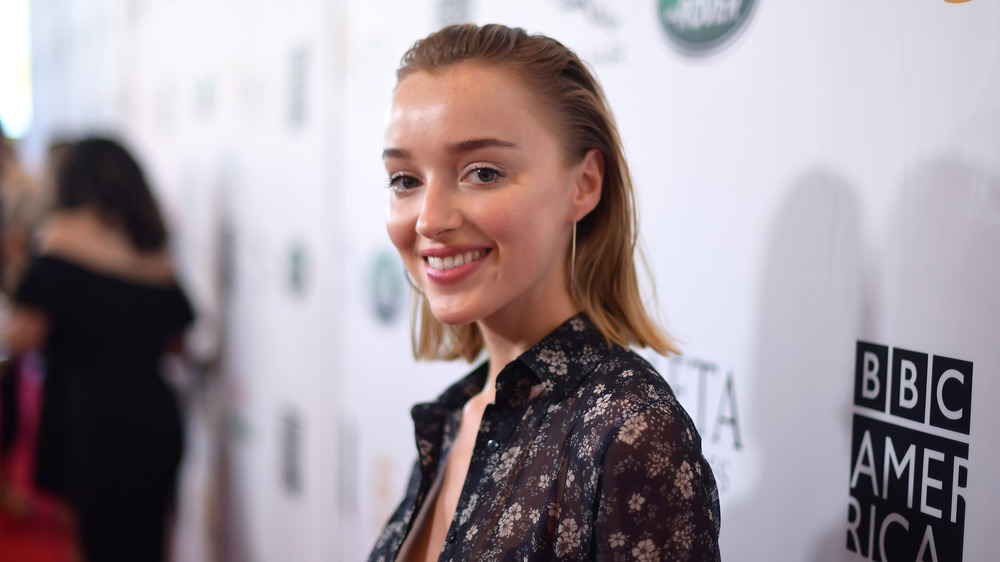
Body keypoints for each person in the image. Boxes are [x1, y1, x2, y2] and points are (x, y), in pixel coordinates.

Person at [368, 23, 721, 562]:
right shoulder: (453, 416)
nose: (430, 220)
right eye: (405, 180)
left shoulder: (630, 433)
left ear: (584, 185)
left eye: (481, 172)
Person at [5, 137, 194, 561]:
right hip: (156, 418)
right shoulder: (153, 249)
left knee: (95, 547)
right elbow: (178, 341)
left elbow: (24, 336)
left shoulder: (58, 237)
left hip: (93, 420)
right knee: (148, 547)